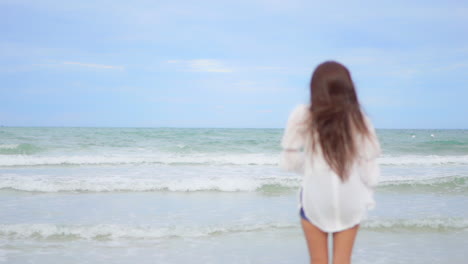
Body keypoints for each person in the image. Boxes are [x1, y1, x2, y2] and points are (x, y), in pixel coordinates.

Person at [279, 61, 380, 264]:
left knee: (318, 261)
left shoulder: (303, 114)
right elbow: (370, 170)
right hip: (350, 198)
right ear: (349, 89)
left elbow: (289, 159)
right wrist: (365, 196)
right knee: (343, 261)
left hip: (316, 197)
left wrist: (311, 170)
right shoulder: (359, 119)